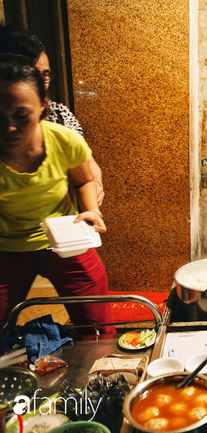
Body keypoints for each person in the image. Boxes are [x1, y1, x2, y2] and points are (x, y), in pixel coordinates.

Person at [0, 57, 113, 332]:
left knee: (97, 324)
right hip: (6, 245)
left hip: (65, 236)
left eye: (21, 115)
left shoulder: (64, 140)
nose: (9, 128)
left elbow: (84, 180)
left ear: (42, 108)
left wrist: (92, 211)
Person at [0, 25, 104, 204]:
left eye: (45, 75)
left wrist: (93, 185)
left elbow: (86, 163)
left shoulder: (59, 114)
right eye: (32, 74)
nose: (42, 85)